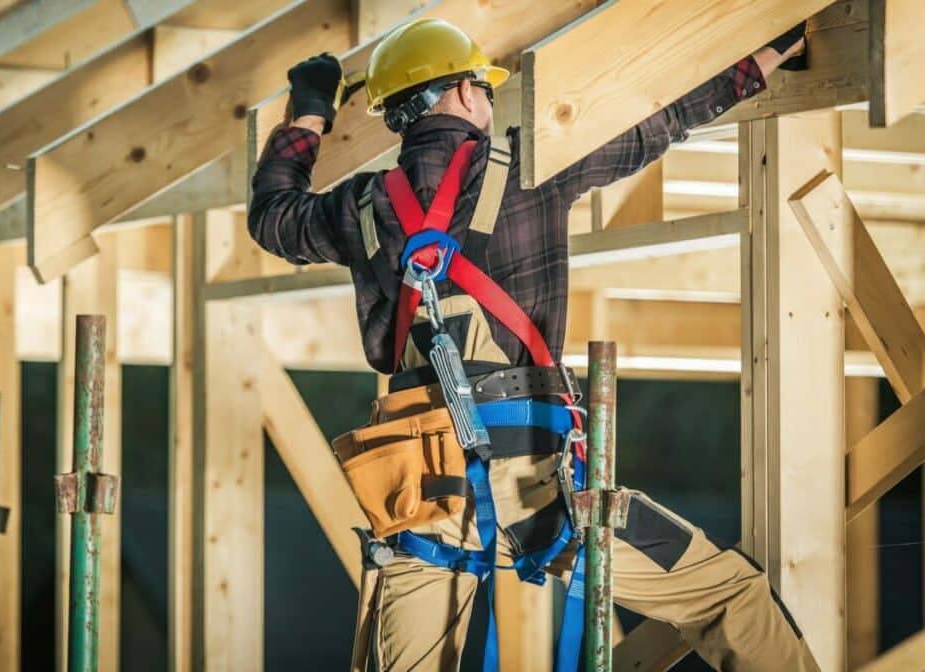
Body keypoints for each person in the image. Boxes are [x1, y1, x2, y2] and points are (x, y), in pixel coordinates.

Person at [249, 16, 817, 672]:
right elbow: (658, 123)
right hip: (538, 495)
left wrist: (310, 111)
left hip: (420, 500)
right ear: (463, 94)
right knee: (728, 596)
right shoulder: (529, 166)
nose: (489, 102)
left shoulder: (359, 206)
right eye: (485, 90)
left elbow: (272, 216)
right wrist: (767, 53)